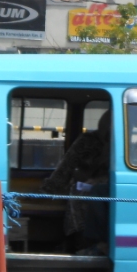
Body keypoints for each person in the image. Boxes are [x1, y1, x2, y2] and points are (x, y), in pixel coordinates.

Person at [42, 109, 112, 254]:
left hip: (111, 188)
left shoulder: (123, 144)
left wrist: (102, 180)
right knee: (77, 195)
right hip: (83, 186)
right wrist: (50, 188)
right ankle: (80, 241)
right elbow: (67, 166)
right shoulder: (87, 141)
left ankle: (98, 243)